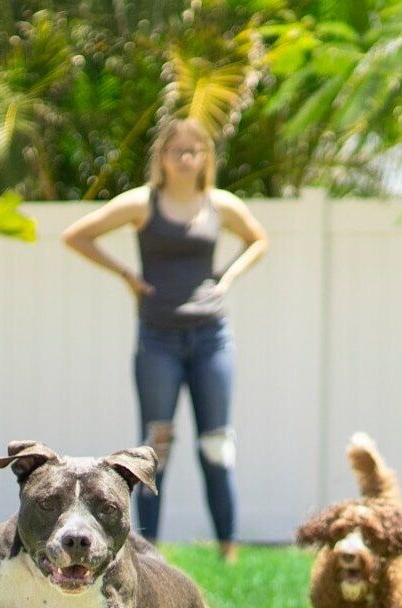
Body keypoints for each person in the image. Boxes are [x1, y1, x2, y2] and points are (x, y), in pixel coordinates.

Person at [62, 118, 269, 563]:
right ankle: (148, 551)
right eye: (178, 150)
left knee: (216, 445)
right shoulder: (143, 204)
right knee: (155, 449)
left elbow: (258, 240)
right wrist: (126, 276)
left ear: (206, 159)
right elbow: (77, 235)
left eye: (195, 150)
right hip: (158, 339)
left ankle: (228, 550)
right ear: (162, 157)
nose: (186, 157)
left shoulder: (219, 205)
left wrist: (228, 277)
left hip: (211, 337)